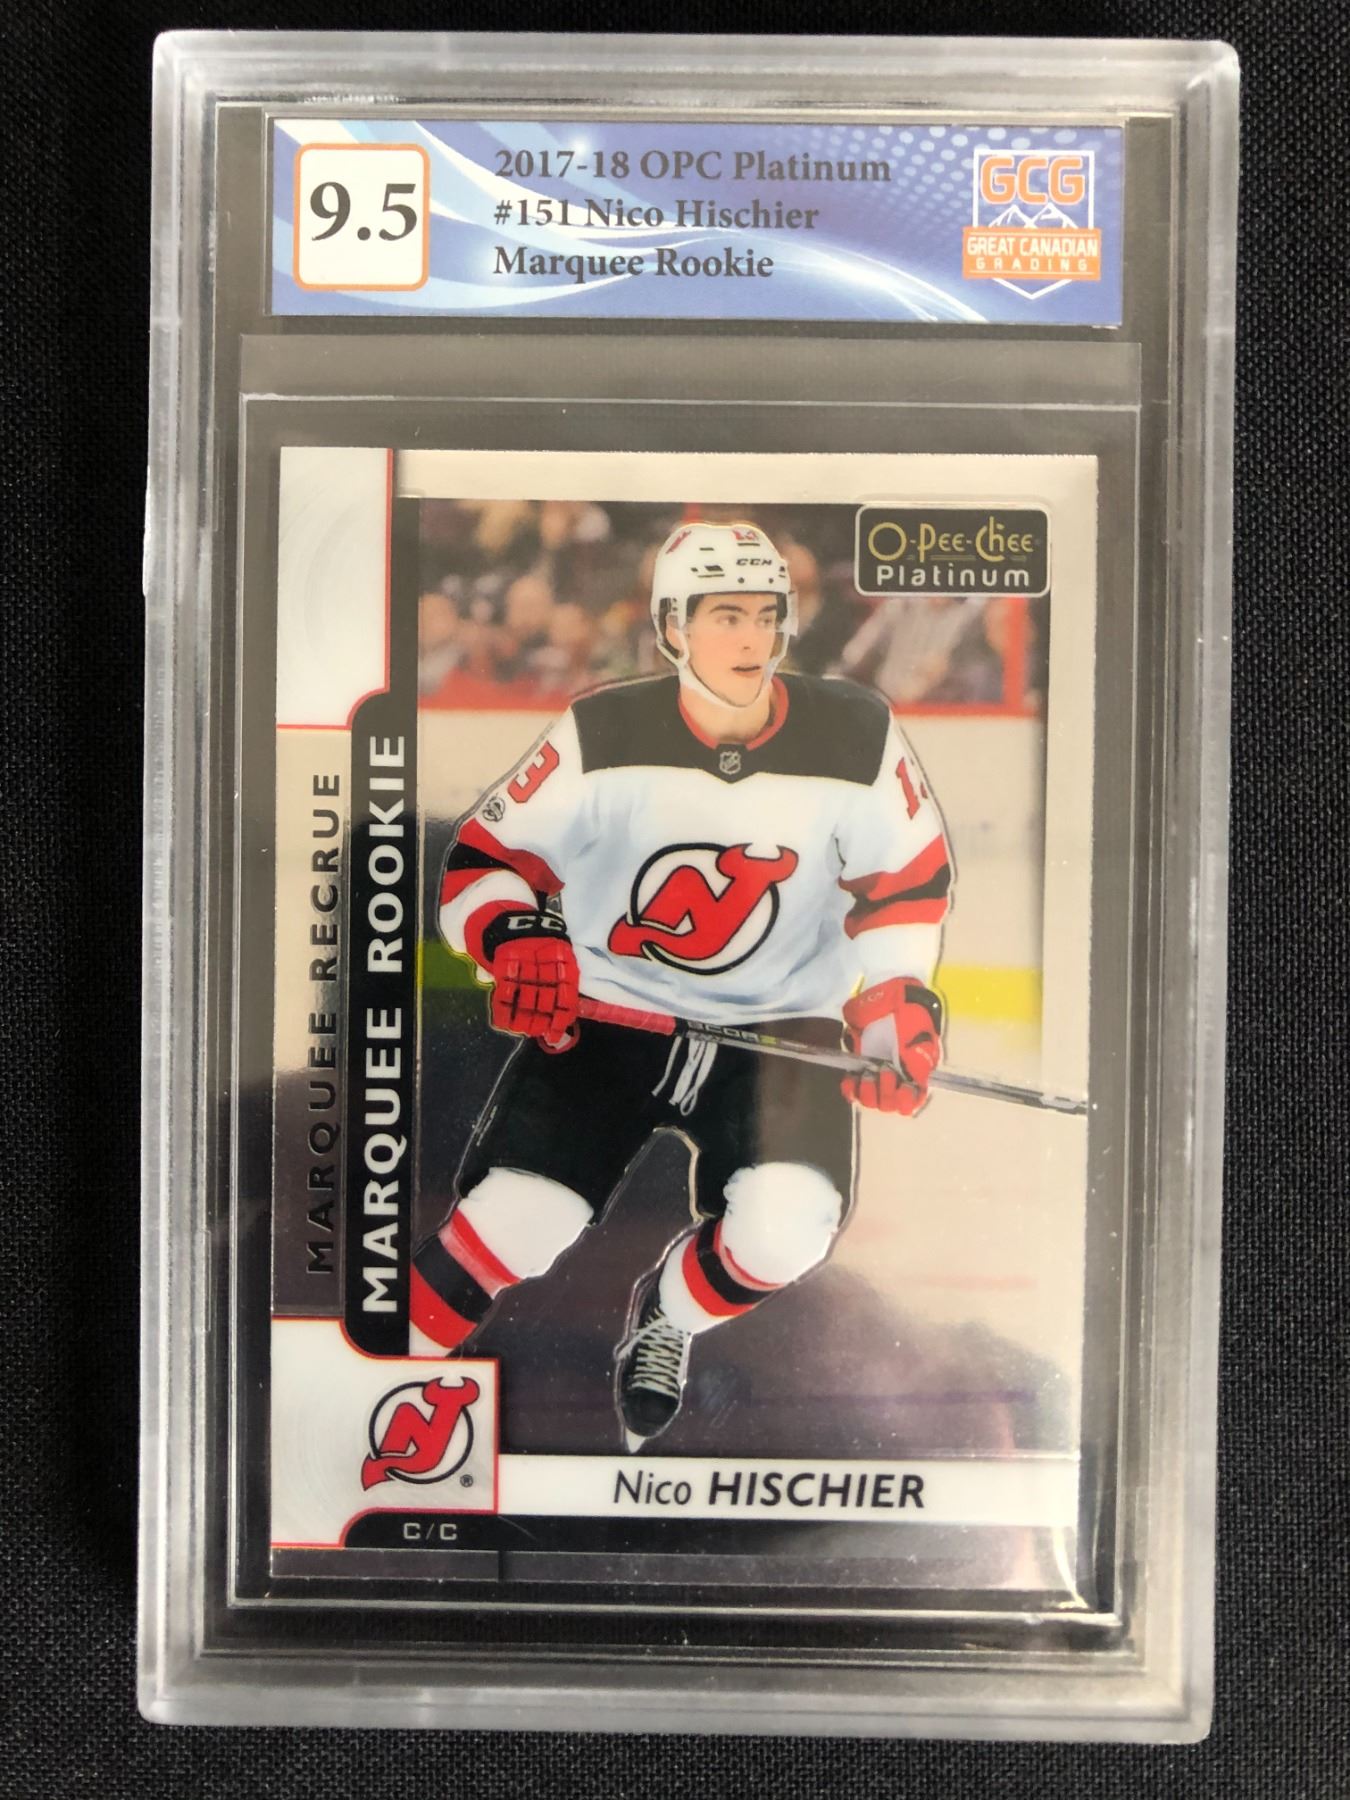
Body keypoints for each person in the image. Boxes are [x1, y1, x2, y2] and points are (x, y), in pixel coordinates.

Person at [413, 521, 953, 1448]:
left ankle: (670, 1316)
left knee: (788, 1228)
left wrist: (898, 1000)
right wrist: (513, 937)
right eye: (725, 616)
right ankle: (378, 1363)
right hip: (611, 1021)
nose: (751, 639)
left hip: (780, 1037)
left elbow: (905, 886)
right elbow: (484, 864)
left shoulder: (858, 733)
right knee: (518, 1220)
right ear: (672, 626)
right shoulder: (602, 729)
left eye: (766, 615)